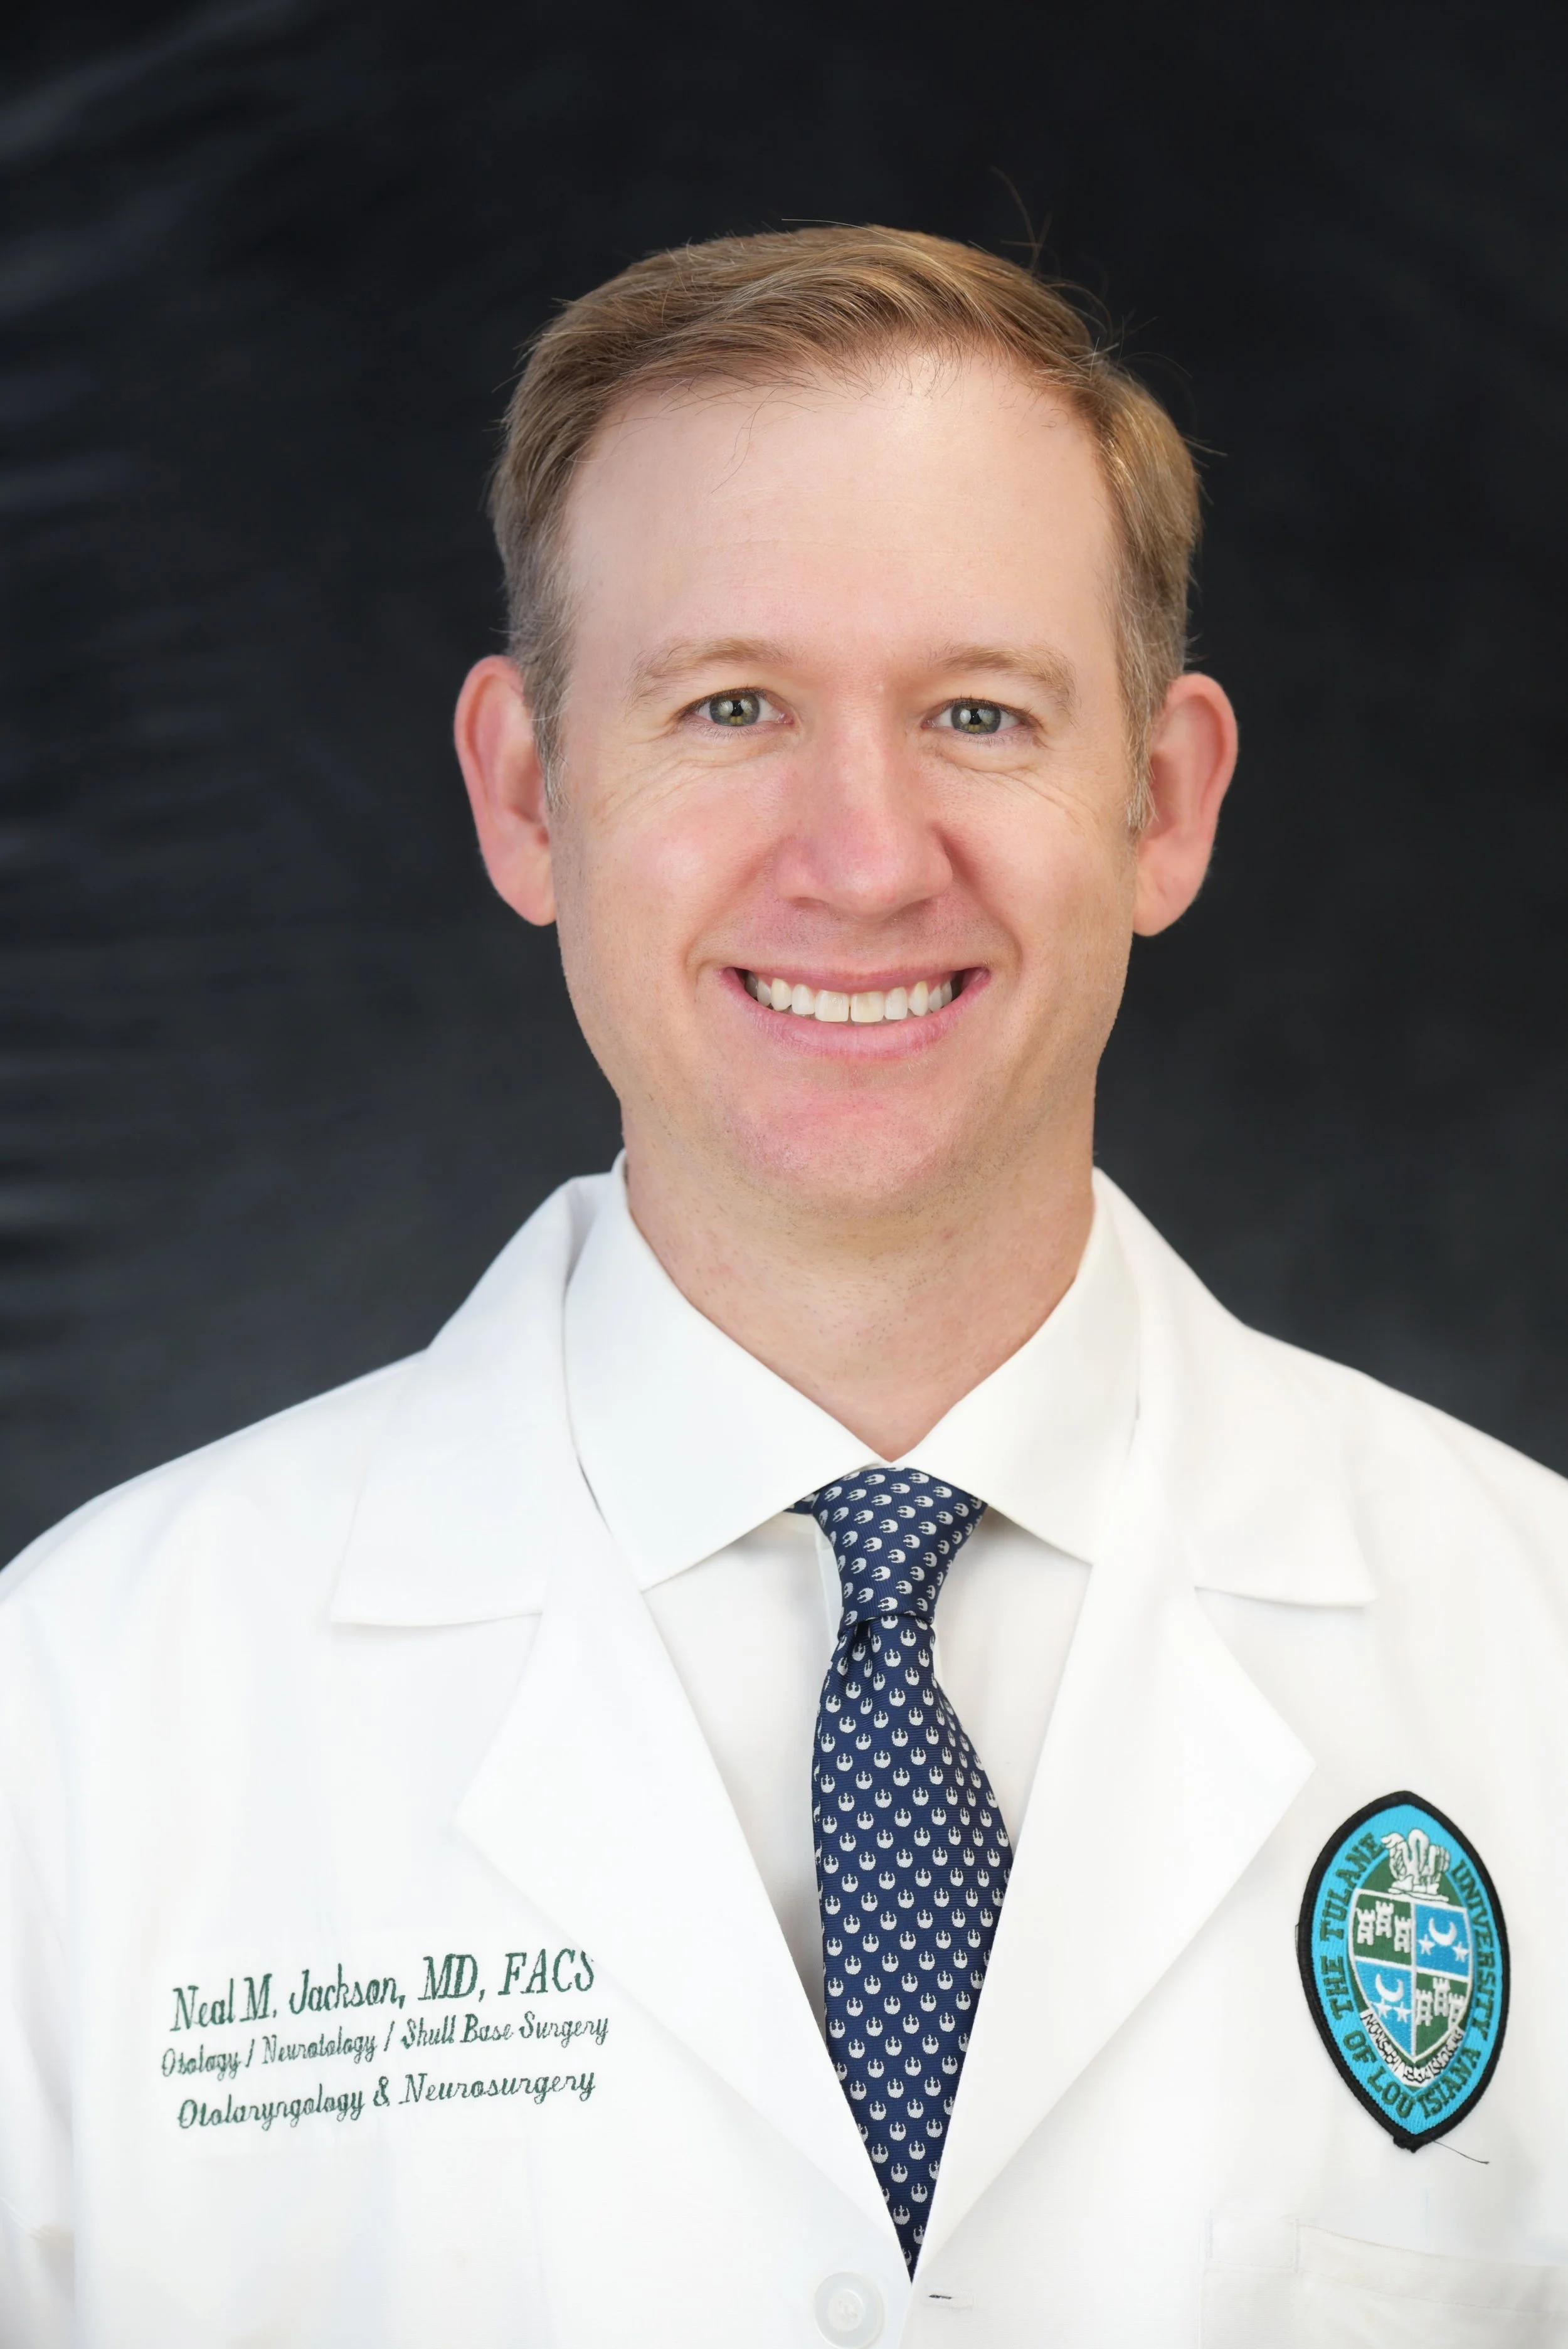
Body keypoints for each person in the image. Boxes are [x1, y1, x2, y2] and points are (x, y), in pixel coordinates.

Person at [1, 226, 1564, 2349]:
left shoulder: (1526, 1650)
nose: (861, 852)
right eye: (730, 707)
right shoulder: (78, 1724)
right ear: (531, 792)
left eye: (980, 713)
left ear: (1162, 805)